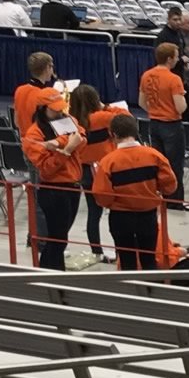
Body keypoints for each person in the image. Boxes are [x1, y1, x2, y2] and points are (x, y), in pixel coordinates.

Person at [90, 114, 177, 271]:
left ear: (113, 135)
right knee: (149, 259)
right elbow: (170, 186)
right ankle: (151, 292)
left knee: (126, 260)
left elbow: (102, 195)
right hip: (148, 215)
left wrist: (114, 203)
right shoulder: (154, 156)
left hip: (120, 217)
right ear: (135, 131)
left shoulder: (108, 162)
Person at [21, 94, 84, 270]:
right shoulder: (34, 134)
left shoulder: (67, 118)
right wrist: (67, 149)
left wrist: (58, 143)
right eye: (54, 109)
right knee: (58, 238)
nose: (59, 112)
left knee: (60, 237)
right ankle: (55, 275)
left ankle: (45, 270)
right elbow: (47, 169)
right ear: (42, 108)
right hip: (53, 190)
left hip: (73, 185)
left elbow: (81, 135)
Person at [67, 83, 118, 265]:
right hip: (106, 170)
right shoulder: (104, 117)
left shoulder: (71, 121)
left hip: (85, 171)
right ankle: (120, 251)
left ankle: (97, 252)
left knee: (93, 214)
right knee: (116, 212)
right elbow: (126, 119)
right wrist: (106, 106)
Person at [137, 42, 189, 206]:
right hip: (172, 125)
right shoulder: (174, 79)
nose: (178, 59)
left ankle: (161, 197)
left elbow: (141, 102)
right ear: (169, 59)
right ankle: (175, 201)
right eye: (176, 56)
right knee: (174, 165)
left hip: (154, 123)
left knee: (158, 163)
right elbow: (181, 107)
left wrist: (155, 111)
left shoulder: (146, 75)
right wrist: (183, 98)